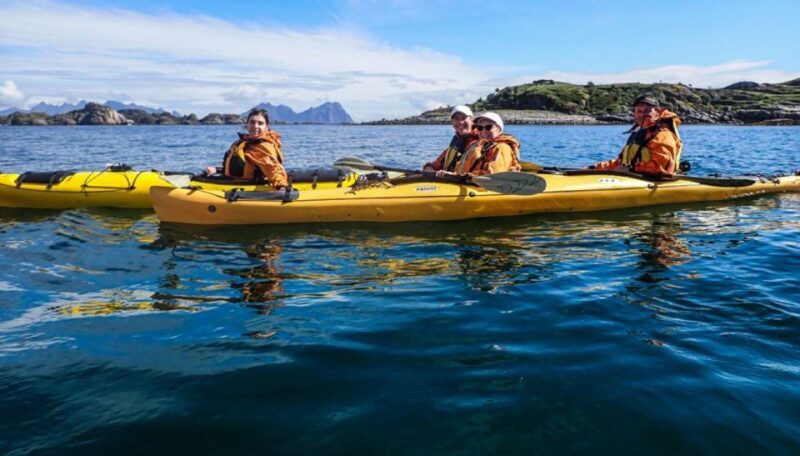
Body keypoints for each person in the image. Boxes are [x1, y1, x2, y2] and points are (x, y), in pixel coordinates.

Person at [591, 94, 682, 177]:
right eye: (639, 111)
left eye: (647, 111)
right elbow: (621, 164)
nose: (642, 114)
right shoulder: (638, 134)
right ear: (634, 113)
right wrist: (594, 168)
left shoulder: (663, 134)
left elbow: (660, 167)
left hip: (653, 182)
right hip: (633, 178)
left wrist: (631, 169)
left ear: (657, 112)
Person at [205, 108, 289, 189]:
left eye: (260, 123)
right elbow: (241, 167)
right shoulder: (247, 141)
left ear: (266, 127)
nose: (255, 126)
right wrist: (217, 170)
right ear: (247, 124)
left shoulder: (262, 146)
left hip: (250, 190)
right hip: (235, 183)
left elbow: (273, 169)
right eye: (252, 122)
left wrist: (282, 187)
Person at [437, 112, 521, 177]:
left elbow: (493, 176)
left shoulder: (503, 148)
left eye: (488, 127)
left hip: (485, 189)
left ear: (498, 128)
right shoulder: (477, 147)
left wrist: (459, 176)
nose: (483, 131)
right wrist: (451, 175)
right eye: (480, 128)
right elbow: (461, 169)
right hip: (467, 183)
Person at [422, 105, 479, 173]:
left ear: (471, 120)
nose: (460, 122)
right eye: (456, 119)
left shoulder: (482, 140)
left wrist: (452, 175)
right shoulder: (457, 141)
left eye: (464, 118)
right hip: (449, 180)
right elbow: (437, 163)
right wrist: (429, 167)